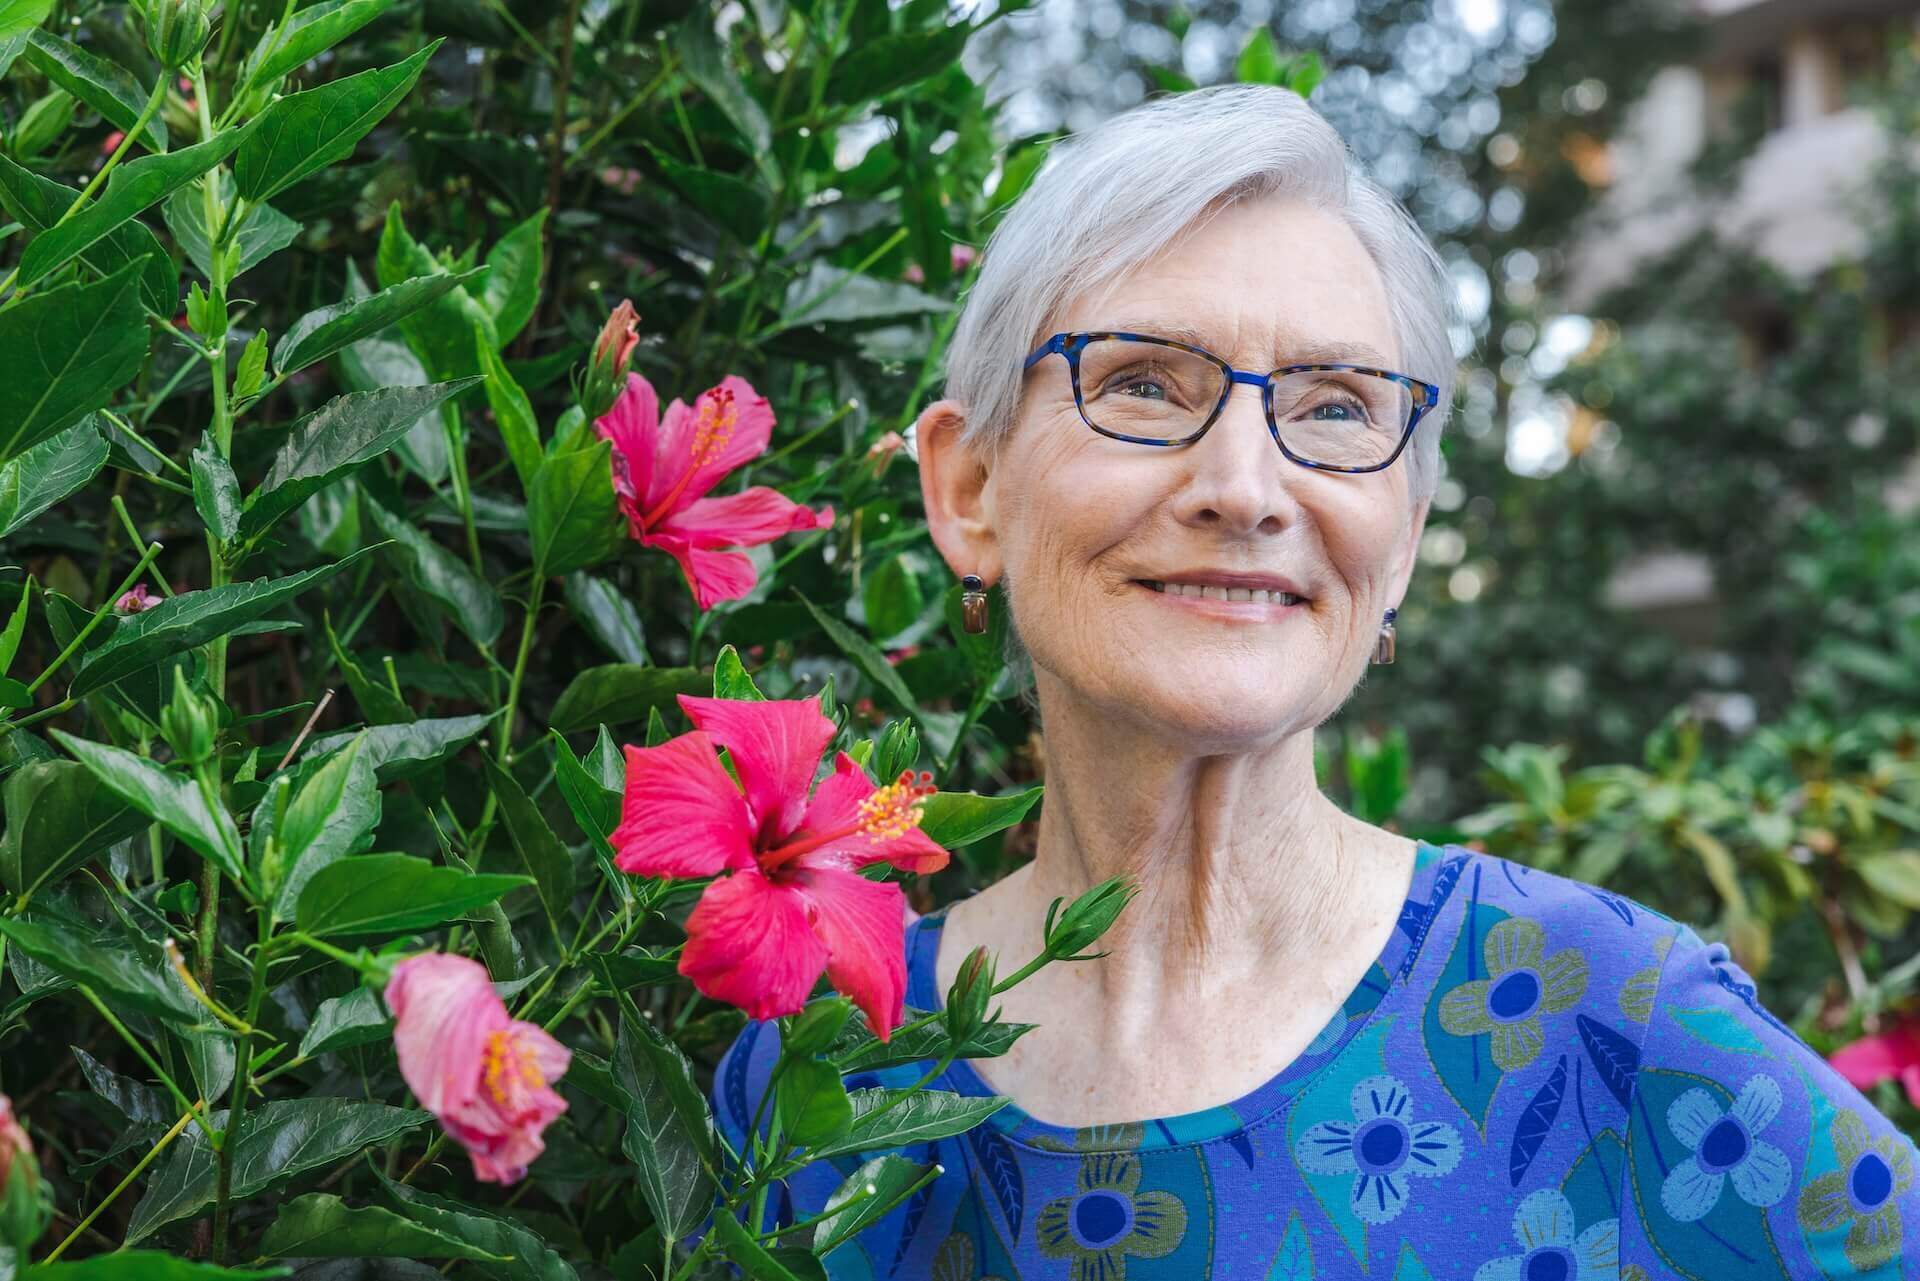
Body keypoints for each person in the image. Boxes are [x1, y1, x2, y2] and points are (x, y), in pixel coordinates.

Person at [710, 82, 1920, 1279]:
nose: (1243, 484)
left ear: (1401, 538)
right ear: (970, 489)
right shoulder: (817, 1067)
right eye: (1142, 383)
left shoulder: (1602, 1014)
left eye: (1336, 406)